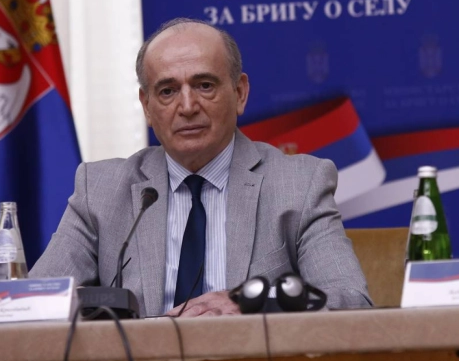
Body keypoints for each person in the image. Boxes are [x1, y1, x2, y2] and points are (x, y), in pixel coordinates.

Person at [31, 19, 371, 316]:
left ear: (239, 93)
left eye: (204, 85)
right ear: (146, 106)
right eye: (168, 91)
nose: (188, 106)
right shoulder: (100, 190)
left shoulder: (299, 184)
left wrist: (249, 305)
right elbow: (33, 305)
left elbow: (350, 301)